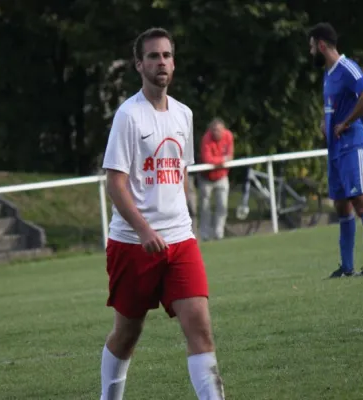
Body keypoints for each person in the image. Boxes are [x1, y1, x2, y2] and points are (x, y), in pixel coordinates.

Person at [100, 27, 225, 399]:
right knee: (127, 334)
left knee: (200, 327)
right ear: (139, 65)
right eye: (153, 56)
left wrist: (188, 222)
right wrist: (143, 230)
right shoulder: (128, 116)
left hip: (179, 239)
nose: (162, 62)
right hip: (132, 243)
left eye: (167, 55)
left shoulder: (184, 115)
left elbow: (180, 174)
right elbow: (115, 184)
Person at [308, 22, 363, 277]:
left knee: (361, 202)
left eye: (311, 47)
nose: (310, 53)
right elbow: (333, 107)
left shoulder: (348, 68)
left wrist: (346, 122)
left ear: (321, 45)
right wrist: (324, 123)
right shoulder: (328, 74)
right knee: (341, 205)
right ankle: (347, 267)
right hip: (335, 150)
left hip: (352, 146)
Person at [198, 118, 234, 241]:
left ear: (223, 130)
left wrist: (220, 161)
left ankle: (219, 233)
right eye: (214, 130)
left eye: (219, 130)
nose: (216, 133)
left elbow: (230, 155)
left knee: (222, 206)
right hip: (206, 178)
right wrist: (222, 160)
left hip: (222, 176)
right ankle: (205, 235)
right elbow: (208, 159)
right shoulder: (206, 139)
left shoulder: (228, 136)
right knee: (205, 207)